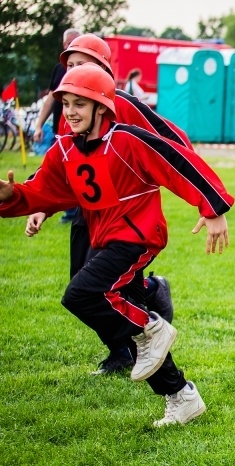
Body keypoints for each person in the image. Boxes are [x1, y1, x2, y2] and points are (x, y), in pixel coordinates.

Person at [0, 63, 234, 426]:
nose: (71, 112)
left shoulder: (126, 139)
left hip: (137, 237)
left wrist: (213, 206)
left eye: (80, 103)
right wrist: (12, 195)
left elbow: (178, 162)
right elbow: (43, 189)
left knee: (81, 295)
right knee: (131, 322)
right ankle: (181, 395)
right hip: (105, 239)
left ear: (101, 107)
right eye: (66, 104)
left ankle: (152, 326)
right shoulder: (65, 150)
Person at [26, 33, 195, 375]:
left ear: (102, 68)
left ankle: (126, 350)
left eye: (82, 64)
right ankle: (148, 301)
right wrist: (43, 205)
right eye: (69, 66)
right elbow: (64, 170)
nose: (73, 72)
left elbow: (173, 143)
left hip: (127, 215)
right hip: (90, 212)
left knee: (97, 288)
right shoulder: (72, 113)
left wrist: (192, 182)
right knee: (83, 281)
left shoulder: (123, 104)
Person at [32, 28, 81, 224]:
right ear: (64, 47)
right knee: (59, 172)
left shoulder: (92, 72)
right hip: (60, 132)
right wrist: (38, 126)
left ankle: (79, 212)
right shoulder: (59, 70)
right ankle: (59, 210)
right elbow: (50, 100)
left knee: (77, 172)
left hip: (84, 134)